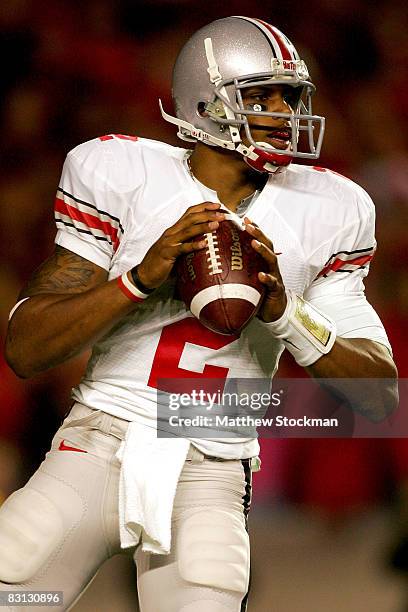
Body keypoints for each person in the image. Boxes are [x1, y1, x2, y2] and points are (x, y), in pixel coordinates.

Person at [2, 15, 398, 612]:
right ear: (207, 103)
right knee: (17, 595)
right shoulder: (122, 173)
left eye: (291, 98)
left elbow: (380, 395)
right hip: (98, 443)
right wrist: (136, 282)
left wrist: (287, 313)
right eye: (262, 97)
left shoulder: (331, 208)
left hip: (212, 469)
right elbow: (26, 350)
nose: (286, 116)